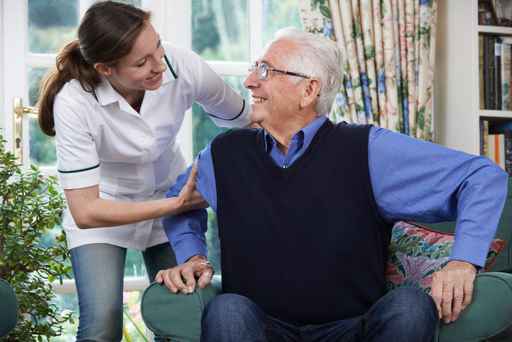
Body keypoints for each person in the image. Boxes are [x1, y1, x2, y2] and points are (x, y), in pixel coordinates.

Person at [157, 28, 508, 342]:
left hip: (354, 328)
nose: (249, 81)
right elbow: (179, 199)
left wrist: (463, 261)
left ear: (308, 90)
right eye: (254, 68)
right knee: (227, 310)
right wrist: (192, 256)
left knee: (411, 306)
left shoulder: (370, 150)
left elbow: (483, 177)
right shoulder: (224, 153)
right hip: (260, 327)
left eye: (265, 71)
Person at [37, 1, 250, 341]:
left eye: (158, 46)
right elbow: (86, 211)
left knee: (179, 317)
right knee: (101, 324)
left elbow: (245, 121)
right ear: (106, 69)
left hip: (168, 196)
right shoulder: (74, 101)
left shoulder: (180, 65)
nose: (159, 65)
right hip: (105, 207)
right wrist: (175, 204)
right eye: (141, 62)